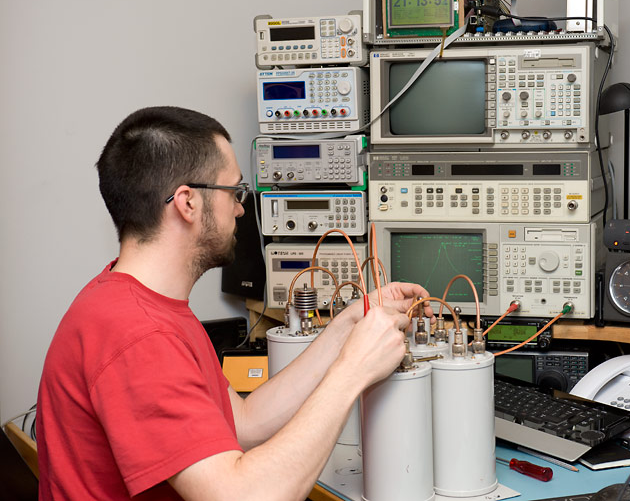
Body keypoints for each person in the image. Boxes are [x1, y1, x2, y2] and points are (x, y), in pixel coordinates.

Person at [36, 106, 433, 500]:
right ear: (187, 203)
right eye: (234, 192)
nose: (241, 208)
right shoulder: (139, 335)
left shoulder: (140, 305)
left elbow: (243, 423)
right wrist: (352, 372)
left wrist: (346, 328)